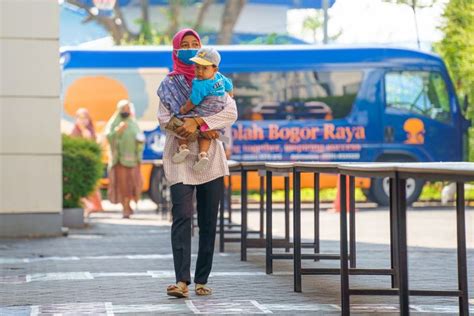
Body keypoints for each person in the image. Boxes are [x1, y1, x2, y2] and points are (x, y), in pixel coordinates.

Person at [157, 28, 237, 298]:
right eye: (185, 45)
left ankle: (202, 279)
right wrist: (187, 127)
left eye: (196, 44)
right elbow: (163, 117)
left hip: (209, 159)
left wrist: (200, 123)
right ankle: (182, 281)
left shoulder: (215, 80)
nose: (191, 48)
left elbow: (231, 111)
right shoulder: (169, 84)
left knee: (208, 221)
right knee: (181, 215)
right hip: (179, 157)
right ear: (176, 51)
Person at [171, 47, 233, 172]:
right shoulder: (220, 77)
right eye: (197, 67)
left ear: (215, 69)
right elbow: (230, 86)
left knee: (178, 121)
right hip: (216, 113)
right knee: (206, 134)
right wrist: (229, 98)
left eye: (204, 68)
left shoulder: (200, 84)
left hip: (203, 111)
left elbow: (193, 101)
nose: (199, 71)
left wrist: (183, 109)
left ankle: (183, 147)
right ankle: (203, 155)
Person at [105, 100, 145, 219]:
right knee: (123, 185)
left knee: (132, 184)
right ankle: (125, 208)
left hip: (133, 161)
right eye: (123, 109)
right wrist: (118, 131)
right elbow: (108, 137)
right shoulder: (114, 122)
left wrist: (140, 142)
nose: (126, 111)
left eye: (128, 109)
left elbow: (140, 137)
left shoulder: (133, 123)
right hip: (119, 160)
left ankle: (129, 205)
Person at [70, 108, 104, 217]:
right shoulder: (74, 131)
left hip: (89, 163)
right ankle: (86, 206)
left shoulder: (90, 131)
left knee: (91, 186)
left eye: (85, 118)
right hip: (78, 164)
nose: (83, 121)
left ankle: (94, 206)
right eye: (80, 118)